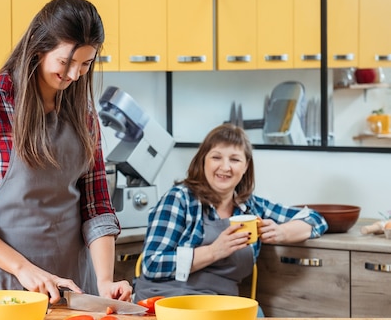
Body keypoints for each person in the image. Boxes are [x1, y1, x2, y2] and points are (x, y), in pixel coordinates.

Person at [0, 0, 132, 304]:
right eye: (66, 62)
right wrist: (24, 269)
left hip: (75, 288)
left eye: (85, 64)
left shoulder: (83, 113)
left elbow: (96, 206)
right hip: (5, 287)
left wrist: (105, 280)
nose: (73, 75)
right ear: (40, 47)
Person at [134, 123, 328, 302]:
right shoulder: (180, 199)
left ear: (245, 167)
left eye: (234, 159)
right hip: (166, 300)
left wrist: (282, 232)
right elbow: (152, 263)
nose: (225, 167)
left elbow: (316, 219)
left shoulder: (253, 207)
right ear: (203, 161)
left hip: (220, 303)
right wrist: (213, 251)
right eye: (216, 157)